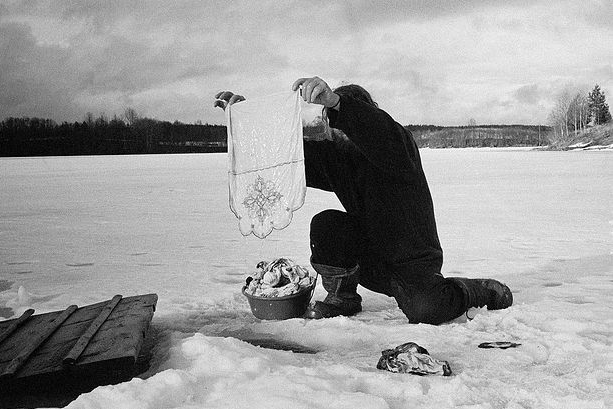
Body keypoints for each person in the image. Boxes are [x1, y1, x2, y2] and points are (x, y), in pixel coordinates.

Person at [215, 77, 513, 324]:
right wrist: (245, 118)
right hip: (371, 260)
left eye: (343, 118)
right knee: (327, 225)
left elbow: (377, 130)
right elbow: (287, 158)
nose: (338, 129)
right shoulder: (339, 157)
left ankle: (478, 290)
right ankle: (343, 298)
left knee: (426, 310)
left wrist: (338, 104)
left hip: (413, 263)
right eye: (332, 121)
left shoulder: (398, 148)